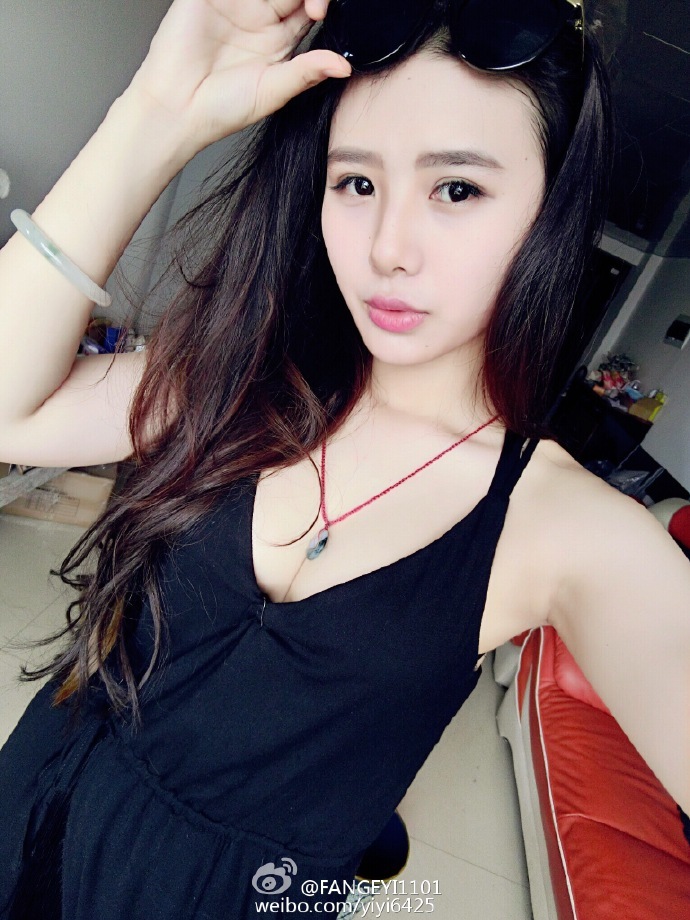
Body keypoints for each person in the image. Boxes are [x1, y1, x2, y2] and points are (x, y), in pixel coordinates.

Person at [0, 0, 688, 917]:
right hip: (29, 804)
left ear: (550, 213)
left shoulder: (570, 532)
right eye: (356, 182)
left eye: (457, 190)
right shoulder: (237, 382)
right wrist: (156, 109)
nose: (387, 249)